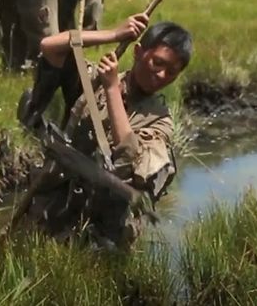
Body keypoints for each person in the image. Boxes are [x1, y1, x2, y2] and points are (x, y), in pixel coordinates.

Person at [21, 14, 189, 250]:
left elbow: (130, 156)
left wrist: (112, 89)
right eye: (157, 62)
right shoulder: (94, 81)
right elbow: (50, 47)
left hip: (106, 227)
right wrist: (114, 34)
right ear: (139, 52)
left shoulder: (160, 120)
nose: (161, 75)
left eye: (171, 71)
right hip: (59, 203)